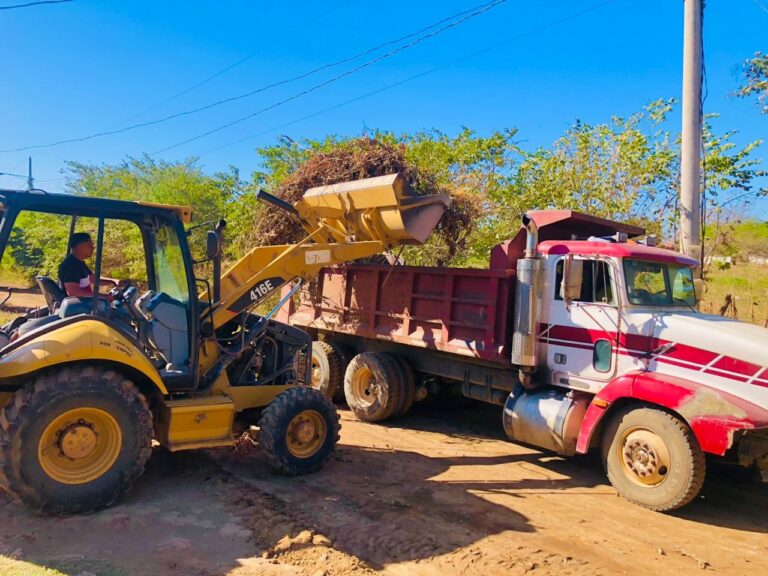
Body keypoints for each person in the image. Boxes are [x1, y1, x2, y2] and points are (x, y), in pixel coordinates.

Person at [58, 232, 119, 298]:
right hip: (79, 303)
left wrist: (114, 281)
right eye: (90, 246)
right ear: (80, 247)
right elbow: (73, 292)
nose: (93, 248)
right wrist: (103, 296)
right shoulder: (70, 266)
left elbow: (93, 279)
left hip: (86, 302)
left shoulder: (79, 262)